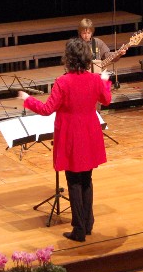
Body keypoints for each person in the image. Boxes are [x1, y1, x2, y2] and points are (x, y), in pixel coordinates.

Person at [18, 38, 112, 242]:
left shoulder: (63, 82)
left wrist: (27, 99)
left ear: (68, 59)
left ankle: (79, 229)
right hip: (90, 133)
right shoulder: (95, 79)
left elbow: (47, 109)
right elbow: (106, 99)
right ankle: (87, 223)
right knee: (86, 179)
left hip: (72, 136)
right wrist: (105, 81)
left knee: (74, 181)